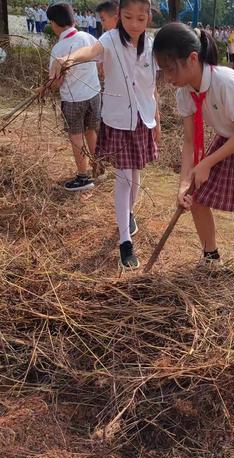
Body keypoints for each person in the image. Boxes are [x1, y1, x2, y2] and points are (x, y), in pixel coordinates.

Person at [153, 23, 234, 273]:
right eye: (163, 71)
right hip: (228, 137)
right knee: (197, 197)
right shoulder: (184, 93)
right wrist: (183, 184)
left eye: (170, 69)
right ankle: (211, 258)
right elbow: (190, 142)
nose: (168, 78)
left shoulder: (225, 83)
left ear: (192, 59)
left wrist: (207, 163)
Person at [51, 0, 160, 270]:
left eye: (141, 18)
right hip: (118, 120)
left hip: (142, 121)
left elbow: (152, 88)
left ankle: (130, 214)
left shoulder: (152, 46)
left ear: (148, 18)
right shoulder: (110, 39)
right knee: (123, 177)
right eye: (128, 17)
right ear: (119, 15)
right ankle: (125, 240)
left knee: (135, 174)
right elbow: (90, 51)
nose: (134, 24)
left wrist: (156, 121)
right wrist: (69, 58)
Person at [47, 3, 101, 193]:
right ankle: (99, 168)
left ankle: (83, 177)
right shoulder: (88, 37)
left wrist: (48, 86)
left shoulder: (58, 49)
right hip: (94, 94)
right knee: (91, 130)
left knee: (76, 135)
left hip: (73, 99)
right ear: (73, 20)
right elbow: (100, 61)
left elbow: (56, 82)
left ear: (53, 23)